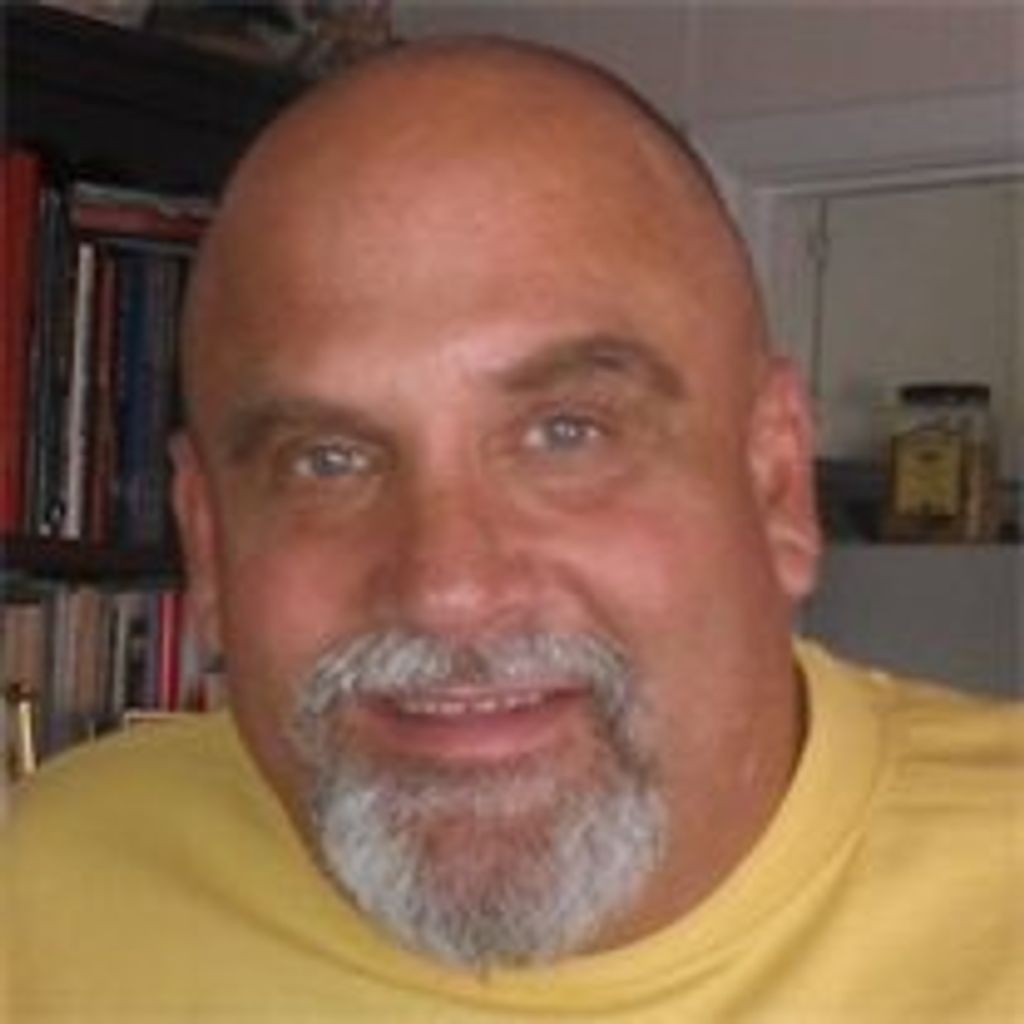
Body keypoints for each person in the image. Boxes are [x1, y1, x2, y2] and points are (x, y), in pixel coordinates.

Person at [5, 38, 1021, 1021]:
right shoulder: (52, 893)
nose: (448, 588)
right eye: (327, 460)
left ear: (776, 483)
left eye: (565, 433)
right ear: (207, 542)